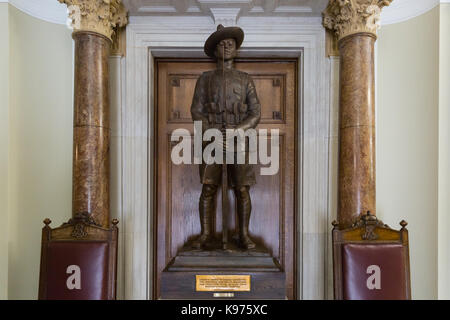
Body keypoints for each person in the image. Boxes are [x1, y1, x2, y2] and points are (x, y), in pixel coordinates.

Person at [190, 24, 261, 250]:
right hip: (212, 139)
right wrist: (211, 131)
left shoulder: (245, 79)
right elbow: (196, 110)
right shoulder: (205, 79)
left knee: (242, 188)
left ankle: (243, 234)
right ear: (214, 51)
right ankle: (206, 234)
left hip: (238, 139)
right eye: (222, 43)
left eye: (231, 43)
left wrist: (237, 130)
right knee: (208, 187)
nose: (227, 46)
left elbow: (255, 112)